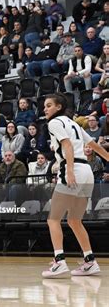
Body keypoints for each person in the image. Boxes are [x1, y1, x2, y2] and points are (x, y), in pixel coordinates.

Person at [42, 93, 109, 278]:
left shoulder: (55, 123)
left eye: (48, 105)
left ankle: (59, 261)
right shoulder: (75, 124)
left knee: (53, 219)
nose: (45, 109)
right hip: (86, 172)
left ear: (58, 107)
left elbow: (68, 146)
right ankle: (90, 262)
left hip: (73, 170)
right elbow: (94, 145)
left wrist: (69, 170)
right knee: (74, 220)